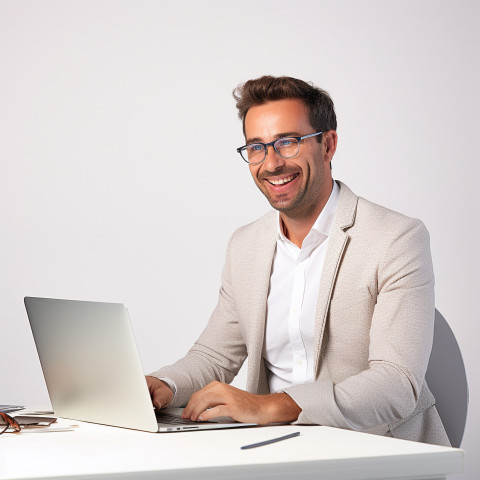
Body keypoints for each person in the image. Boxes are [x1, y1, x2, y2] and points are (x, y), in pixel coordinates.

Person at [146, 75, 450, 446]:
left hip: (377, 451)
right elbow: (214, 356)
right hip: (274, 454)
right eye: (256, 148)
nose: (271, 163)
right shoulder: (245, 245)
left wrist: (272, 406)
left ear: (328, 144)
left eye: (287, 142)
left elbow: (397, 383)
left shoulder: (396, 238)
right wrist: (162, 384)